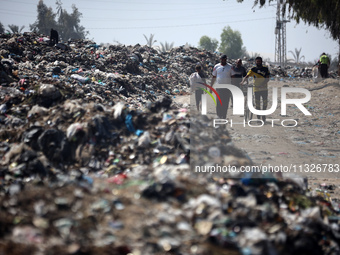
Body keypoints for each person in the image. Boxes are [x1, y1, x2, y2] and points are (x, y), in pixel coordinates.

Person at [240, 56, 270, 122]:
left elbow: (267, 78)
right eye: (257, 61)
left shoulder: (265, 69)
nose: (258, 62)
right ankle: (258, 118)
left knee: (265, 104)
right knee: (257, 104)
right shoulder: (253, 69)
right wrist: (242, 82)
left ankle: (263, 116)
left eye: (259, 61)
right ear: (255, 62)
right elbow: (246, 76)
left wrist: (262, 84)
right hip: (256, 89)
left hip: (264, 89)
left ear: (261, 62)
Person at [210, 54, 232, 119]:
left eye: (224, 59)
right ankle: (219, 116)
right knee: (219, 102)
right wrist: (211, 87)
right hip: (219, 88)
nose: (223, 61)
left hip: (227, 88)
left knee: (225, 103)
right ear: (220, 59)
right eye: (222, 59)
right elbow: (214, 77)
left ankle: (224, 116)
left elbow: (233, 77)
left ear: (226, 59)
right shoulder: (216, 66)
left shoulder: (230, 67)